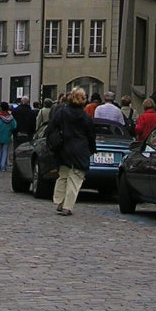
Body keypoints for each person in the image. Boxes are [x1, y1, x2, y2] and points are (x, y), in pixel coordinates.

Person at [51, 86, 96, 216]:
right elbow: (91, 135)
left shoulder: (61, 112)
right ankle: (67, 206)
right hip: (80, 149)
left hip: (63, 147)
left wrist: (52, 143)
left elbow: (51, 127)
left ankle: (59, 202)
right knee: (75, 178)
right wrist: (92, 149)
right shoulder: (85, 117)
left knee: (63, 175)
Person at [0, 102, 17, 171]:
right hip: (7, 136)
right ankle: (3, 166)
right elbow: (14, 126)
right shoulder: (11, 117)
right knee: (5, 151)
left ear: (1, 108)